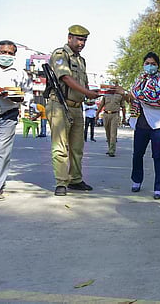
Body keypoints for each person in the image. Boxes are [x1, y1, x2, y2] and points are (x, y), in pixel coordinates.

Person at [46, 25, 99, 196]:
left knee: (77, 147)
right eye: (79, 39)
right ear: (70, 38)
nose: (82, 43)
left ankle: (75, 179)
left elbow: (84, 84)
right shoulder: (60, 54)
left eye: (84, 40)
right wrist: (87, 92)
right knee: (60, 146)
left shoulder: (81, 60)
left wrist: (91, 94)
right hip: (60, 105)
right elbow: (66, 78)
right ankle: (61, 182)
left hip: (77, 107)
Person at [115, 52, 160, 199]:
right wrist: (124, 94)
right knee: (137, 154)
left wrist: (127, 92)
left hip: (157, 125)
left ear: (157, 66)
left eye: (153, 63)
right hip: (141, 123)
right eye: (147, 63)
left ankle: (159, 188)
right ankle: (136, 181)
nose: (149, 66)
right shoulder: (140, 80)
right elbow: (133, 100)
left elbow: (150, 98)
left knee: (158, 156)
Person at [0, 40, 31, 200]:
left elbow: (28, 94)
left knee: (2, 153)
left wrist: (19, 98)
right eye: (3, 52)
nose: (7, 56)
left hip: (8, 116)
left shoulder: (21, 73)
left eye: (10, 53)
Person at [95, 92, 126, 156]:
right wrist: (97, 114)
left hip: (115, 115)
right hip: (106, 114)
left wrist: (124, 117)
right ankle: (109, 148)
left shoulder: (120, 95)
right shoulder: (106, 95)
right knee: (108, 133)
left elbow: (123, 107)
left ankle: (112, 150)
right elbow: (101, 105)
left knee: (113, 133)